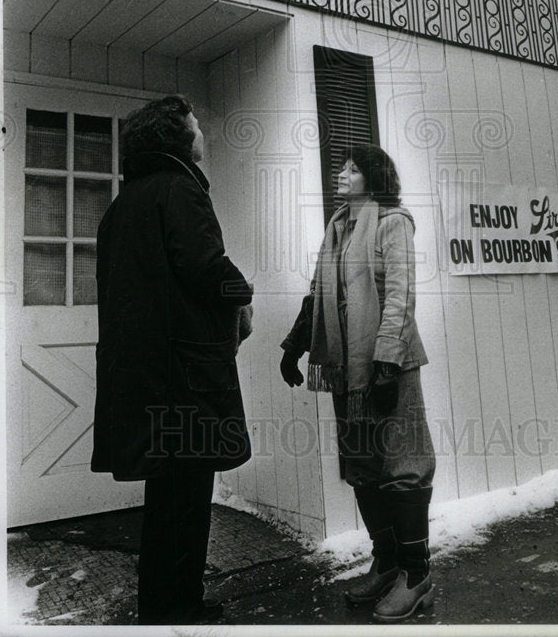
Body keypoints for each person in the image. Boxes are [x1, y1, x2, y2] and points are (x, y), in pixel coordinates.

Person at [91, 95, 254, 625]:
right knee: (187, 501)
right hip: (187, 380)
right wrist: (244, 294)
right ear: (176, 136)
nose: (202, 130)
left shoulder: (123, 204)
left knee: (165, 502)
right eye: (195, 123)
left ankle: (160, 607)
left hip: (146, 380)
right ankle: (181, 609)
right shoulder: (180, 188)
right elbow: (205, 265)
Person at [280, 143, 436, 623]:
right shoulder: (337, 226)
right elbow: (317, 291)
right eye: (341, 166)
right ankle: (386, 564)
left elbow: (399, 296)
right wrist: (296, 343)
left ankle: (416, 575)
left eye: (352, 168)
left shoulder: (393, 221)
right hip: (348, 370)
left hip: (387, 368)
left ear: (375, 176)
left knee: (403, 466)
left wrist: (387, 362)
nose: (342, 174)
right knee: (365, 467)